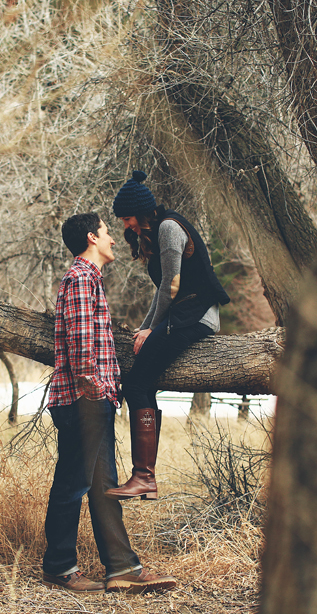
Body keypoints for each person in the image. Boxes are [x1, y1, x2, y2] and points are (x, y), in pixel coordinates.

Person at [41, 212, 177, 594]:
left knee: (101, 485)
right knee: (72, 483)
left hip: (87, 399)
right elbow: (82, 347)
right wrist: (95, 391)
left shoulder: (87, 279)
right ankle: (59, 567)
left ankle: (121, 568)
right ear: (91, 237)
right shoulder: (82, 278)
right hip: (82, 401)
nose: (113, 239)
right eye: (106, 232)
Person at [105, 171, 230, 501]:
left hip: (196, 316)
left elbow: (171, 285)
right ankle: (146, 478)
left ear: (141, 212)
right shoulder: (159, 229)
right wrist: (146, 328)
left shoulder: (169, 228)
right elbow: (165, 290)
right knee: (144, 384)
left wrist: (151, 328)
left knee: (134, 384)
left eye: (128, 218)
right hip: (183, 314)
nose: (126, 226)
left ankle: (143, 477)